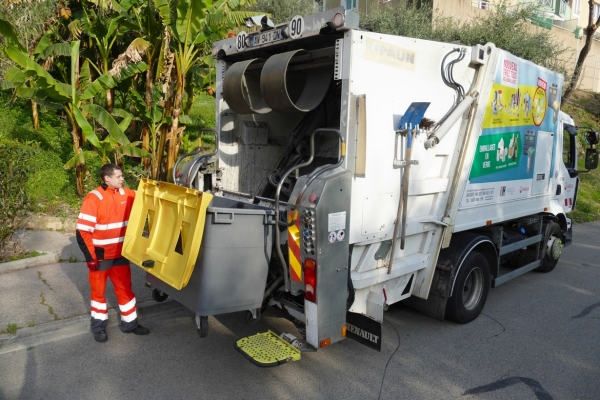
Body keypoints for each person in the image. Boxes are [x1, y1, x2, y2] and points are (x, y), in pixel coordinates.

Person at [76, 163, 150, 343]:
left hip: (121, 254)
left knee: (125, 289)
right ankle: (98, 328)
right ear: (107, 178)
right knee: (98, 293)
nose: (122, 179)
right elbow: (82, 231)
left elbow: (148, 198)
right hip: (101, 257)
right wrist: (91, 258)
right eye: (118, 176)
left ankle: (130, 324)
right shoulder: (94, 198)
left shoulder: (127, 193)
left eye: (122, 176)